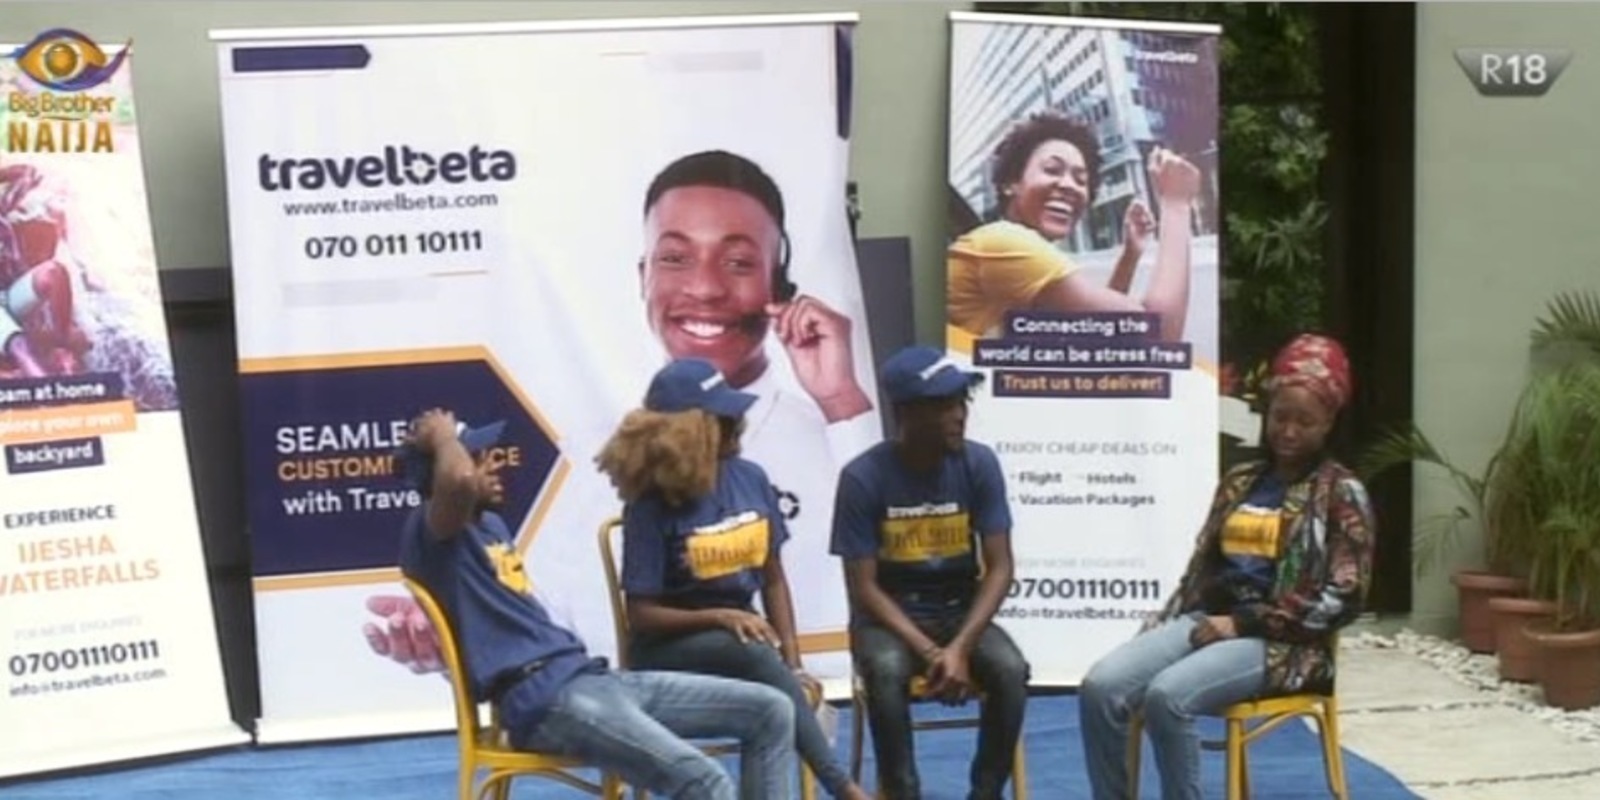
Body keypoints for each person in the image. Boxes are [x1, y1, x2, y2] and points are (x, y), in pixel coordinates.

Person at [364, 150, 881, 672]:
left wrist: (841, 402)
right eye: (674, 258)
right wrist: (453, 641)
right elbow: (542, 622)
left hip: (783, 677)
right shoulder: (595, 460)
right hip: (644, 691)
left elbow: (878, 555)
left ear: (779, 285)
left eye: (739, 262)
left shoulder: (832, 433)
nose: (705, 287)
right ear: (643, 277)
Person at [397, 406, 799, 800]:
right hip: (544, 700)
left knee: (772, 711)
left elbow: (461, 481)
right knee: (703, 781)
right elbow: (459, 480)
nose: (492, 465)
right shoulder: (432, 537)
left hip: (587, 678)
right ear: (438, 478)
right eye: (477, 458)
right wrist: (443, 436)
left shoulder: (490, 526)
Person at [1077, 333, 1377, 800]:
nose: (1289, 431)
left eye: (1305, 421)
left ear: (1329, 423)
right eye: (1280, 416)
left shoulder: (1341, 492)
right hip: (1208, 620)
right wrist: (1160, 629)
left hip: (1285, 643)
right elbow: (1200, 569)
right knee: (1101, 686)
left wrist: (1244, 622)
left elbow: (1345, 597)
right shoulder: (1240, 481)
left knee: (1167, 697)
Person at [596, 358, 872, 800]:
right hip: (669, 650)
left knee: (769, 681)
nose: (735, 424)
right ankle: (842, 787)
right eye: (722, 419)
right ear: (689, 432)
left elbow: (773, 578)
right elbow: (642, 615)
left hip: (746, 642)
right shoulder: (649, 505)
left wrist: (795, 664)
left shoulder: (751, 478)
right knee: (754, 653)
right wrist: (719, 617)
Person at [829, 345, 1031, 800]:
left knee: (1010, 669)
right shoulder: (862, 477)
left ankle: (985, 793)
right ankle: (902, 791)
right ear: (907, 414)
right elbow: (864, 588)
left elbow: (1000, 567)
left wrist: (958, 648)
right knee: (885, 671)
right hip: (887, 620)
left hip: (959, 611)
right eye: (944, 406)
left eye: (961, 402)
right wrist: (930, 650)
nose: (959, 415)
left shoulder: (979, 463)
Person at [946, 112, 1200, 343]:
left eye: (1081, 180)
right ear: (1011, 183)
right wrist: (1176, 203)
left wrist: (1129, 256)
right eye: (1052, 170)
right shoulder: (1005, 241)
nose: (1069, 185)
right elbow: (1155, 339)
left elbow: (1096, 330)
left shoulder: (1010, 248)